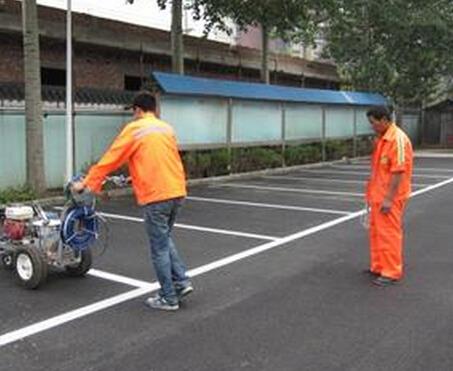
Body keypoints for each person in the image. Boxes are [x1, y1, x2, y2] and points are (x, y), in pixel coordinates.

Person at [72, 91, 193, 310]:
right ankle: (181, 282)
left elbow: (111, 158)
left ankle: (168, 297)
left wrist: (87, 183)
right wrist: (134, 176)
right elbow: (159, 159)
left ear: (137, 110)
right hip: (176, 191)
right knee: (164, 239)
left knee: (159, 248)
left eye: (134, 112)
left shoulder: (135, 129)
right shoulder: (166, 128)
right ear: (154, 109)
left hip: (156, 196)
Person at [365, 106, 413, 287]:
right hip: (378, 194)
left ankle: (391, 271)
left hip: (389, 197)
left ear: (384, 119)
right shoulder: (382, 139)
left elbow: (398, 172)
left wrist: (388, 199)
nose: (372, 126)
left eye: (373, 122)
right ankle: (378, 266)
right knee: (377, 232)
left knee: (389, 234)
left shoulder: (397, 139)